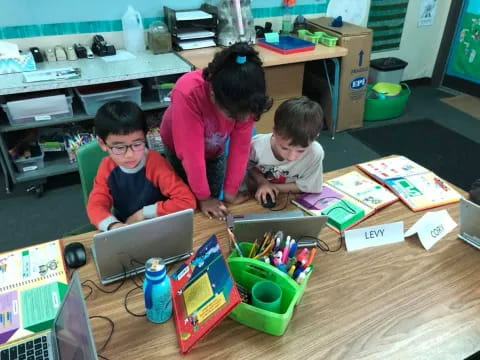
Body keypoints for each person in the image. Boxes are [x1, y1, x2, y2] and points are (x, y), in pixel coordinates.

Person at [160, 42, 272, 220]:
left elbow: (240, 148)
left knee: (215, 202)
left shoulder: (247, 98)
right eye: (233, 115)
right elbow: (191, 155)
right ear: (212, 95)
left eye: (246, 115)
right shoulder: (188, 92)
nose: (243, 120)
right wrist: (203, 198)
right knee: (187, 202)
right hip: (179, 149)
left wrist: (230, 193)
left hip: (214, 147)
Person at [87, 101, 196, 231]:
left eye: (137, 144)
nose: (129, 155)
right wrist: (113, 225)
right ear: (102, 143)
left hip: (159, 223)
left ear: (145, 136)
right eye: (119, 147)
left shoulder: (155, 162)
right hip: (123, 226)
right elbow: (95, 206)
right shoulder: (106, 167)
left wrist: (142, 214)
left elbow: (187, 201)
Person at [247, 96, 324, 205]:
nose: (291, 157)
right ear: (274, 132)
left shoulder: (315, 153)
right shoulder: (255, 146)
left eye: (300, 151)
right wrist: (261, 181)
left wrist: (269, 186)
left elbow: (308, 186)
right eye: (284, 148)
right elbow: (247, 168)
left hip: (287, 200)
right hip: (251, 197)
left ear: (315, 137)